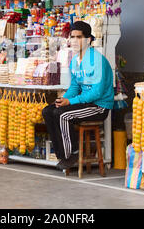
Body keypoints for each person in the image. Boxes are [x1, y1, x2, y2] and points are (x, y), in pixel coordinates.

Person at [42, 21, 114, 170]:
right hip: (84, 102)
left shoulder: (97, 60)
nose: (75, 40)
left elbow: (96, 92)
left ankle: (72, 153)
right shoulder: (75, 61)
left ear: (88, 39)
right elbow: (75, 86)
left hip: (99, 106)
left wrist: (70, 102)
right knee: (48, 111)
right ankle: (62, 154)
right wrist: (64, 99)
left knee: (63, 115)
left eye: (79, 37)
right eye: (72, 37)